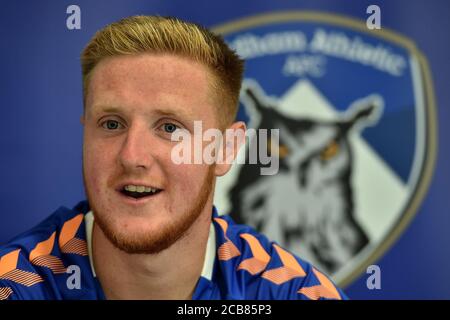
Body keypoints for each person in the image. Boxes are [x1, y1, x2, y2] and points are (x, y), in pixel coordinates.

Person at [0, 15, 347, 300]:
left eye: (169, 128)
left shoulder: (294, 295)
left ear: (225, 149)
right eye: (111, 123)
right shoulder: (15, 287)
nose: (132, 156)